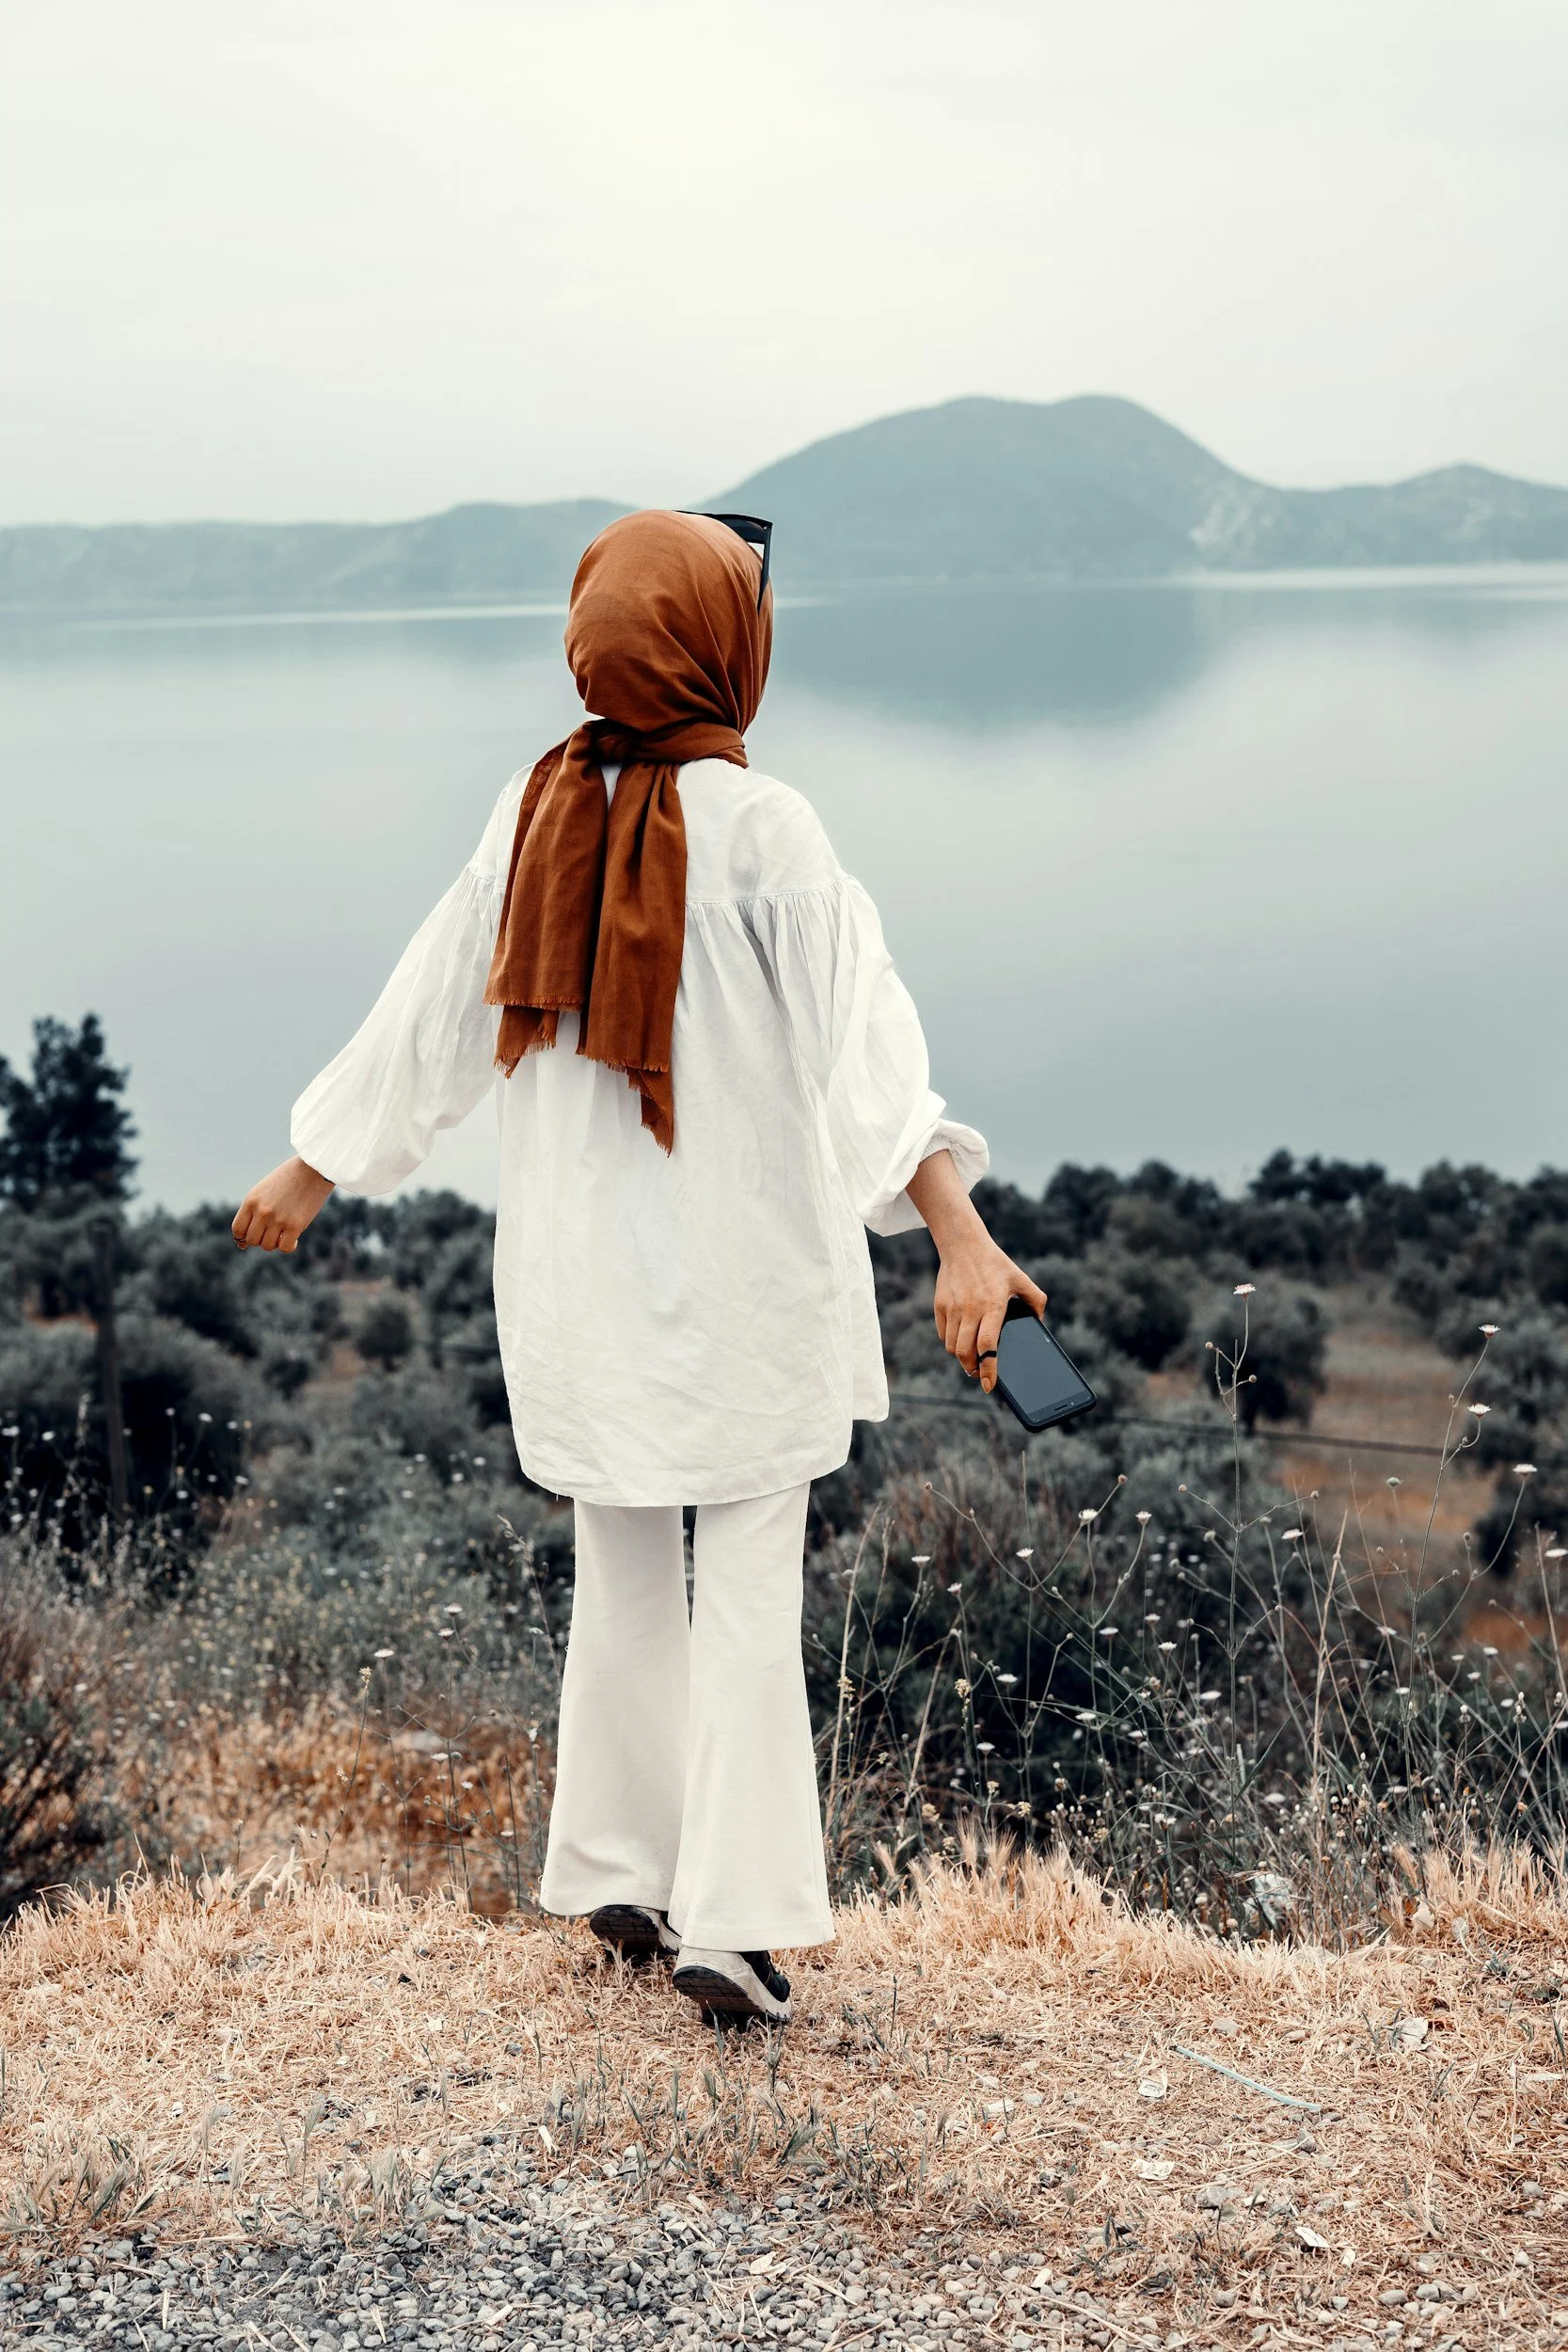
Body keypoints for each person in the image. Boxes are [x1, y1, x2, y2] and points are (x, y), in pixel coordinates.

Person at [232, 509, 1045, 2026]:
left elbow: (430, 1014)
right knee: (740, 1591)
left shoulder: (535, 813)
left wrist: (317, 1158)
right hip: (742, 1289)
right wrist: (958, 1232)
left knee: (620, 1572)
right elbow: (871, 1060)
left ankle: (619, 1862)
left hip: (582, 1283)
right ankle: (729, 1927)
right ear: (721, 646)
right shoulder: (767, 829)